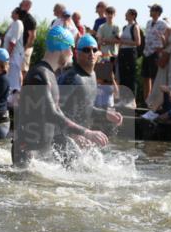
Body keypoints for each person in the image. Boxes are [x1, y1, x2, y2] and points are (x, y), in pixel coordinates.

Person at [11, 26, 109, 166]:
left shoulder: (50, 74)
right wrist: (85, 132)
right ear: (61, 47)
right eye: (70, 48)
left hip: (41, 153)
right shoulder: (39, 75)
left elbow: (58, 112)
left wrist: (74, 134)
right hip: (26, 152)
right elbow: (51, 113)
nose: (71, 53)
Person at [57, 34, 124, 140]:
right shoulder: (71, 78)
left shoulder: (92, 75)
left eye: (94, 50)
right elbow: (54, 111)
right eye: (86, 50)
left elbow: (85, 108)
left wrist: (106, 114)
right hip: (61, 137)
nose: (91, 53)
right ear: (77, 53)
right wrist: (73, 133)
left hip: (79, 135)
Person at [141, 4, 169, 107]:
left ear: (157, 12)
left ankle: (155, 102)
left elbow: (168, 36)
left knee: (155, 78)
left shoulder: (163, 24)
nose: (150, 12)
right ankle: (146, 101)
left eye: (152, 10)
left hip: (155, 53)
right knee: (146, 77)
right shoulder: (148, 22)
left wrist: (162, 48)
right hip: (146, 52)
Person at [116, 8, 142, 104]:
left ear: (133, 15)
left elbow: (138, 42)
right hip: (122, 52)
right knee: (123, 76)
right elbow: (121, 42)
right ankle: (123, 99)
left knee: (130, 77)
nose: (125, 15)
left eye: (127, 14)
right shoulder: (125, 27)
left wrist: (123, 41)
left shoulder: (135, 26)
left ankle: (131, 100)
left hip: (130, 53)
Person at [3, 7, 26, 101]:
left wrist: (7, 56)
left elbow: (13, 41)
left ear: (17, 14)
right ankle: (11, 98)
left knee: (14, 77)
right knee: (12, 76)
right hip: (12, 54)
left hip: (14, 54)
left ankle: (14, 100)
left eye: (13, 12)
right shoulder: (13, 23)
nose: (11, 13)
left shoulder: (18, 23)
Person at [19, 0, 37, 78]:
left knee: (23, 69)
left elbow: (32, 36)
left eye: (23, 4)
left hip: (26, 47)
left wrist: (25, 48)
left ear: (28, 6)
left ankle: (23, 85)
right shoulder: (21, 16)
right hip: (20, 47)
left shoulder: (30, 19)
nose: (21, 5)